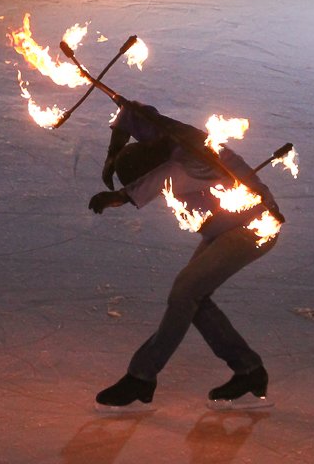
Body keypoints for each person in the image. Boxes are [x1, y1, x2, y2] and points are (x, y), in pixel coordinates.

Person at [88, 99, 281, 411]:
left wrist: (121, 196)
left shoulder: (190, 162)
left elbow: (162, 177)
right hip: (224, 229)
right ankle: (249, 372)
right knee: (193, 298)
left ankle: (141, 377)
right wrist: (113, 153)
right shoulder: (167, 133)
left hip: (254, 227)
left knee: (184, 293)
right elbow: (134, 112)